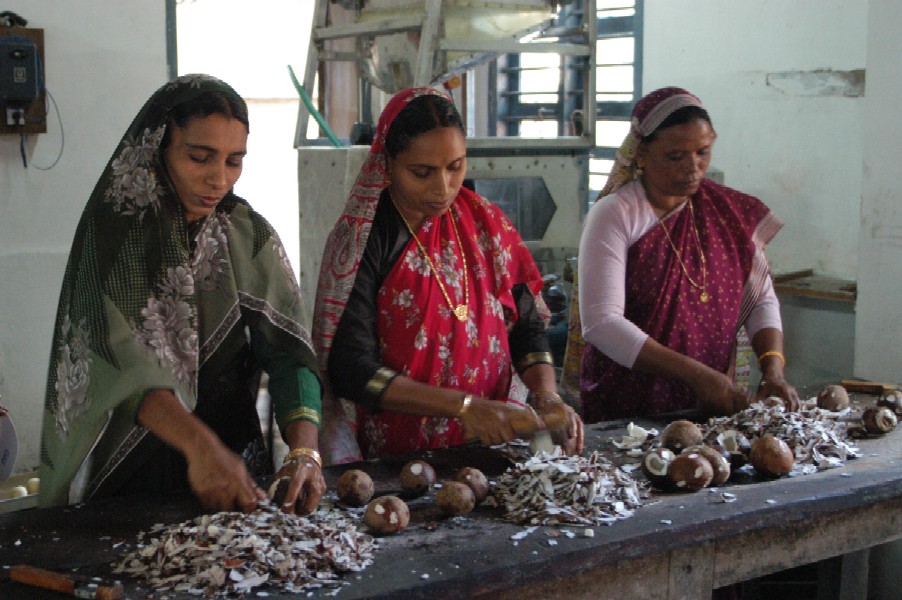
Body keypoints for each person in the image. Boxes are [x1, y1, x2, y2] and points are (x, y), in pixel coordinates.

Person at [39, 74, 325, 515]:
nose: (219, 179)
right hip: (131, 471)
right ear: (157, 149)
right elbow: (127, 370)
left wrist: (304, 449)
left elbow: (289, 352)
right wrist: (201, 450)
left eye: (234, 161)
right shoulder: (117, 237)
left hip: (232, 468)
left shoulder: (244, 234)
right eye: (199, 157)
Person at [312, 87, 583, 463]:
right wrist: (465, 406)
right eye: (422, 172)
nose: (443, 189)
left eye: (455, 167)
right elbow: (351, 369)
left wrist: (546, 396)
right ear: (387, 164)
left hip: (496, 437)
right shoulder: (364, 240)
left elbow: (527, 325)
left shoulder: (486, 223)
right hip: (403, 455)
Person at [567, 86, 799, 424]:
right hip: (629, 403)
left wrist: (773, 368)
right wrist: (697, 375)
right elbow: (603, 324)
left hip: (709, 401)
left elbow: (761, 298)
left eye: (703, 152)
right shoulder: (616, 214)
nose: (694, 167)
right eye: (676, 156)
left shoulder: (726, 212)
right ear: (642, 154)